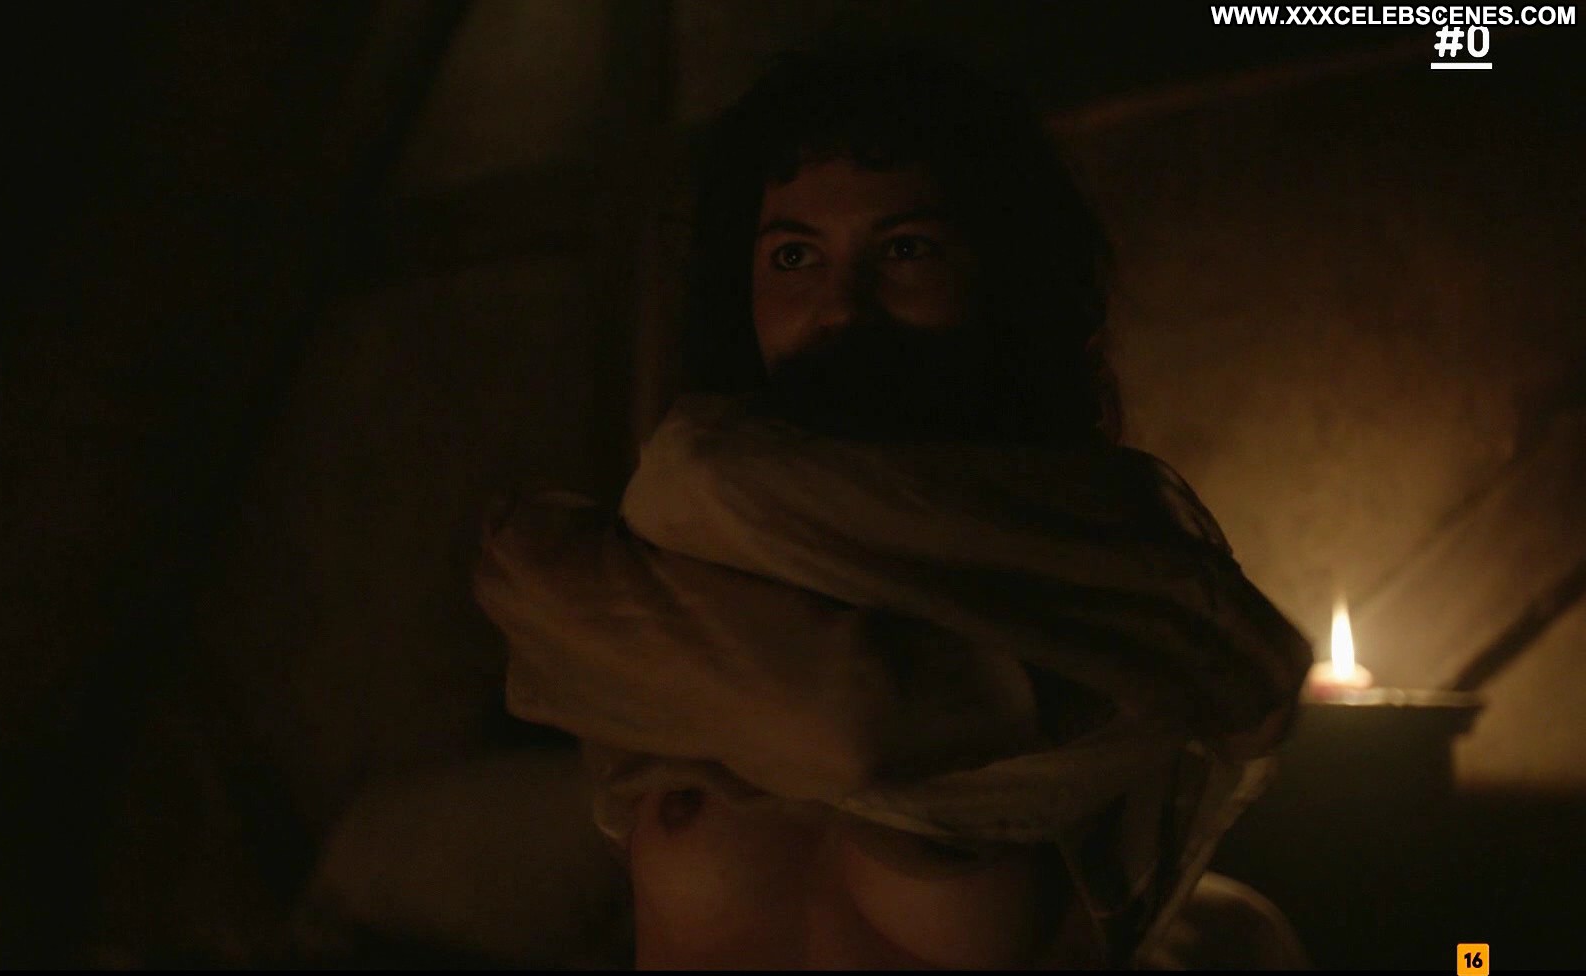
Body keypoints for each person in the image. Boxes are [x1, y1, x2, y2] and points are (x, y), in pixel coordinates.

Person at [473, 46, 1313, 969]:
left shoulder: (1100, 573)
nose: (841, 307)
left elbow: (848, 730)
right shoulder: (687, 531)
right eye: (794, 255)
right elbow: (529, 590)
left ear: (1004, 272)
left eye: (906, 248)